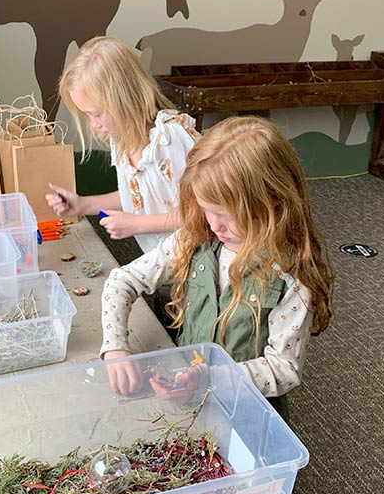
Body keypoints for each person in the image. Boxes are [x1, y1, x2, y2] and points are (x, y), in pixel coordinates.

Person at [100, 116, 334, 420]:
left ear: (273, 204)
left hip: (245, 412)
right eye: (206, 210)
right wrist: (116, 347)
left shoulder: (291, 276)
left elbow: (283, 369)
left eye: (227, 215)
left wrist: (210, 377)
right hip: (186, 403)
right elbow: (122, 280)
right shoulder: (194, 237)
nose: (214, 225)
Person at [46, 36, 199, 252]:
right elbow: (137, 196)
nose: (94, 124)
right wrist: (82, 205)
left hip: (196, 265)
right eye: (87, 115)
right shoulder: (122, 139)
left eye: (97, 114)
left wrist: (137, 224)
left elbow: (203, 212)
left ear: (124, 100)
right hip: (161, 262)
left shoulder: (170, 140)